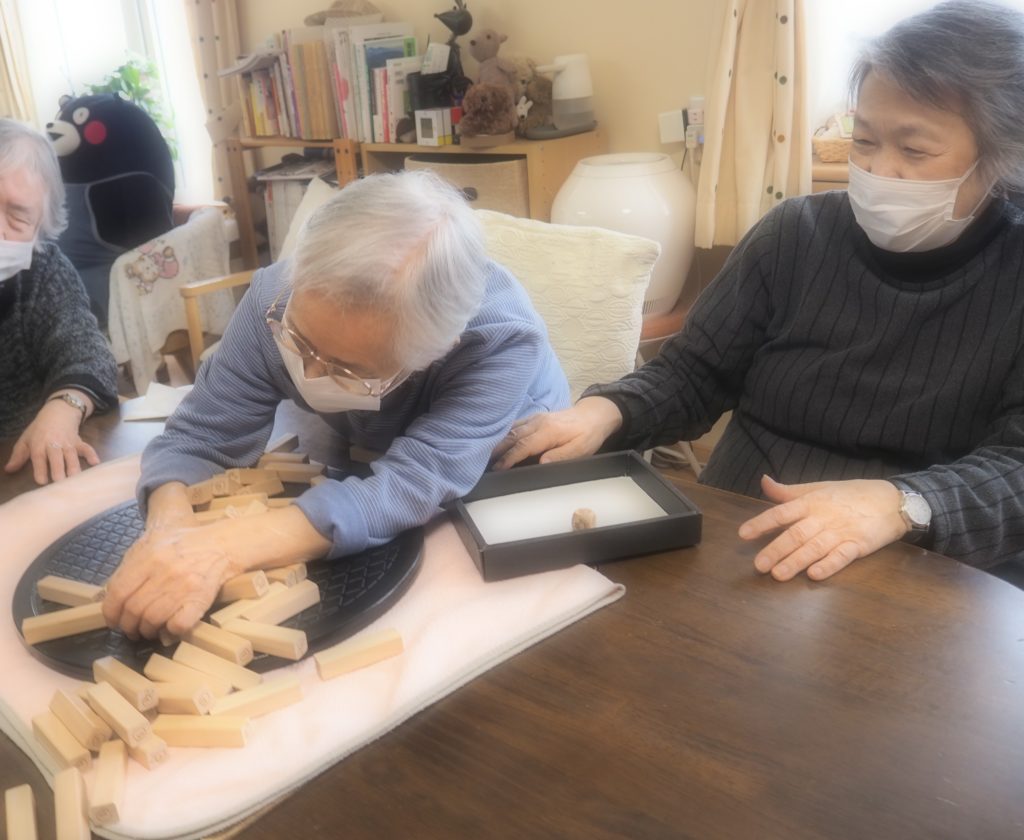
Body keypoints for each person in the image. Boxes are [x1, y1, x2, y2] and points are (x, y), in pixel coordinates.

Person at [494, 0, 1024, 583]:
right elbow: (694, 373)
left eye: (914, 150)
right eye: (865, 140)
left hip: (918, 561)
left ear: (1002, 156)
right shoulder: (796, 233)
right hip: (743, 531)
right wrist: (606, 410)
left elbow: (1016, 467)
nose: (878, 171)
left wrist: (905, 505)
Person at [103, 170, 569, 638]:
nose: (310, 373)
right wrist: (169, 528)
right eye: (299, 341)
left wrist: (228, 546)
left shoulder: (499, 342)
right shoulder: (274, 299)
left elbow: (416, 481)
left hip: (506, 457)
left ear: (437, 352)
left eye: (348, 370)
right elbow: (202, 434)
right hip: (363, 445)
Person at [0, 118, 118, 484]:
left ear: (40, 226)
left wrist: (63, 408)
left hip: (25, 466)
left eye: (18, 217)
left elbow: (87, 352)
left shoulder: (44, 269)